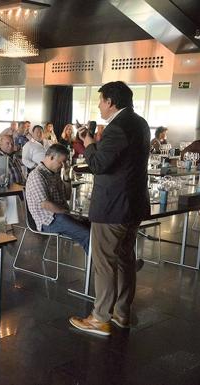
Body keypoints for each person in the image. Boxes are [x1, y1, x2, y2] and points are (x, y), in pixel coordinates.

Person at [70, 81, 150, 336]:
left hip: (113, 205)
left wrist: (89, 142)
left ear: (111, 102)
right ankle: (122, 313)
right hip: (134, 203)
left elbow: (98, 165)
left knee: (104, 262)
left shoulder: (117, 128)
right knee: (125, 259)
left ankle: (100, 317)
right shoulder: (140, 123)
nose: (99, 105)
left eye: (101, 100)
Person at [25, 144, 90, 253]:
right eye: (61, 162)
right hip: (49, 221)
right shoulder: (37, 175)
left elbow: (67, 195)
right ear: (51, 157)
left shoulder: (54, 174)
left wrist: (66, 177)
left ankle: (95, 263)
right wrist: (70, 213)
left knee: (92, 228)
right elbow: (46, 205)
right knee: (87, 234)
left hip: (59, 215)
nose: (63, 165)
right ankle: (96, 268)